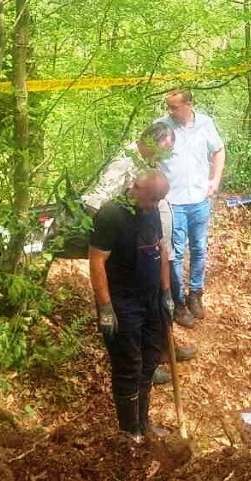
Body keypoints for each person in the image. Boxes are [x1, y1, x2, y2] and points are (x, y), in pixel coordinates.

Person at [82, 122, 196, 384]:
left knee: (162, 298)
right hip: (131, 252)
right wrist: (118, 235)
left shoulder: (148, 163)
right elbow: (95, 202)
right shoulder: (124, 163)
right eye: (164, 149)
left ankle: (163, 349)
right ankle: (144, 362)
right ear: (150, 140)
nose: (165, 156)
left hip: (154, 245)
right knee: (138, 308)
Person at [89, 170, 174, 443]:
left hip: (150, 299)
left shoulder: (151, 211)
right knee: (129, 366)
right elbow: (96, 261)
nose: (154, 204)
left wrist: (166, 293)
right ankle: (129, 431)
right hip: (122, 303)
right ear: (136, 187)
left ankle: (143, 423)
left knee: (149, 362)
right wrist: (105, 307)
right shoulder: (111, 215)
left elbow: (161, 251)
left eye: (158, 200)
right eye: (152, 198)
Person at [159, 88, 226, 327]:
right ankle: (178, 303)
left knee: (199, 248)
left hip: (199, 198)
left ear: (189, 104)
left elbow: (218, 150)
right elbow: (146, 154)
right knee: (175, 253)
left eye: (175, 106)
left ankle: (195, 294)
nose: (171, 111)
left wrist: (215, 180)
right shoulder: (162, 126)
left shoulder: (205, 123)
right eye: (168, 106)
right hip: (172, 200)